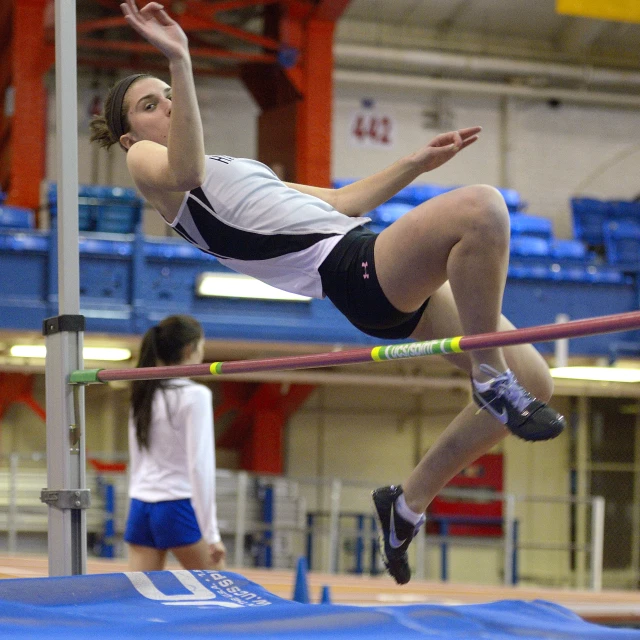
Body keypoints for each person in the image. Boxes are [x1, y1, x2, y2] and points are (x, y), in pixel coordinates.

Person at [91, 0, 565, 584]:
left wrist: (415, 163)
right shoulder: (146, 161)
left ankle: (407, 503)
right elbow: (183, 170)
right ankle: (491, 378)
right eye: (149, 104)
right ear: (125, 133)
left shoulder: (226, 167)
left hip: (368, 264)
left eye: (166, 94)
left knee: (539, 378)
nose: (164, 104)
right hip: (352, 270)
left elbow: (341, 202)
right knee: (482, 208)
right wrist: (181, 60)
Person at [124, 314, 226, 571]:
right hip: (175, 506)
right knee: (221, 592)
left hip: (141, 507)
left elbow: (136, 460)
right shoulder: (196, 395)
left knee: (141, 599)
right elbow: (200, 466)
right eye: (203, 345)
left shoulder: (143, 392)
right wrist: (211, 534)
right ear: (191, 348)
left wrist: (137, 500)